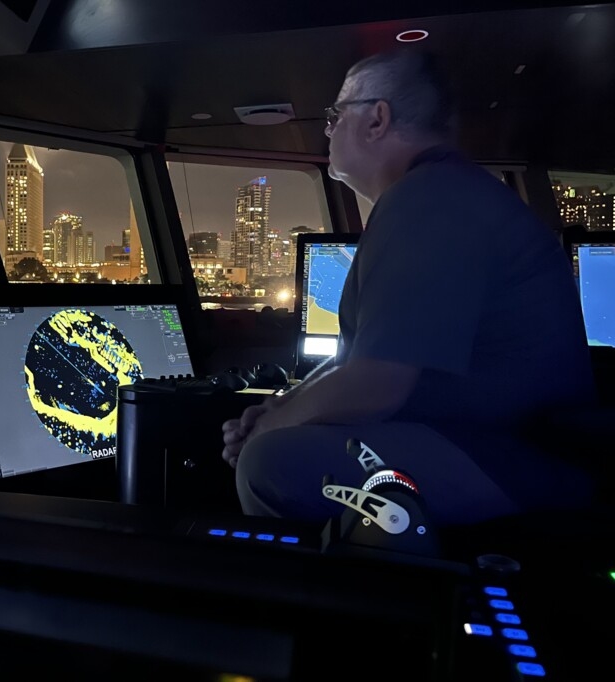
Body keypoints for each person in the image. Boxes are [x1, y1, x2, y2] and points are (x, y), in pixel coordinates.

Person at [222, 49, 598, 527]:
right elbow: (357, 362)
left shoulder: (429, 201)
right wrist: (279, 408)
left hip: (516, 456)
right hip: (492, 443)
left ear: (378, 119)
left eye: (337, 114)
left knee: (272, 465)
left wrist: (267, 431)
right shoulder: (439, 194)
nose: (329, 129)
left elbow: (376, 383)